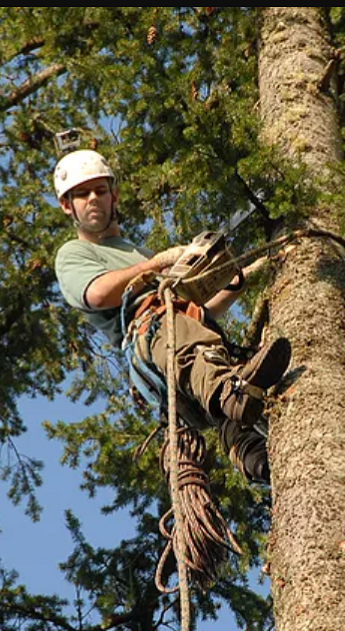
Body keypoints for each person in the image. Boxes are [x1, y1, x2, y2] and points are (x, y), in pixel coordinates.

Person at [52, 149, 291, 483]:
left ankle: (257, 457)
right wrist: (156, 264)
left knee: (228, 408)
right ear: (67, 205)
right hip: (156, 340)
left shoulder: (133, 252)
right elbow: (96, 293)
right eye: (81, 194)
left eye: (100, 190)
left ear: (113, 195)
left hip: (186, 345)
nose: (92, 199)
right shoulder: (74, 254)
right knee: (207, 367)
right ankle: (232, 392)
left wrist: (240, 277)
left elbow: (196, 310)